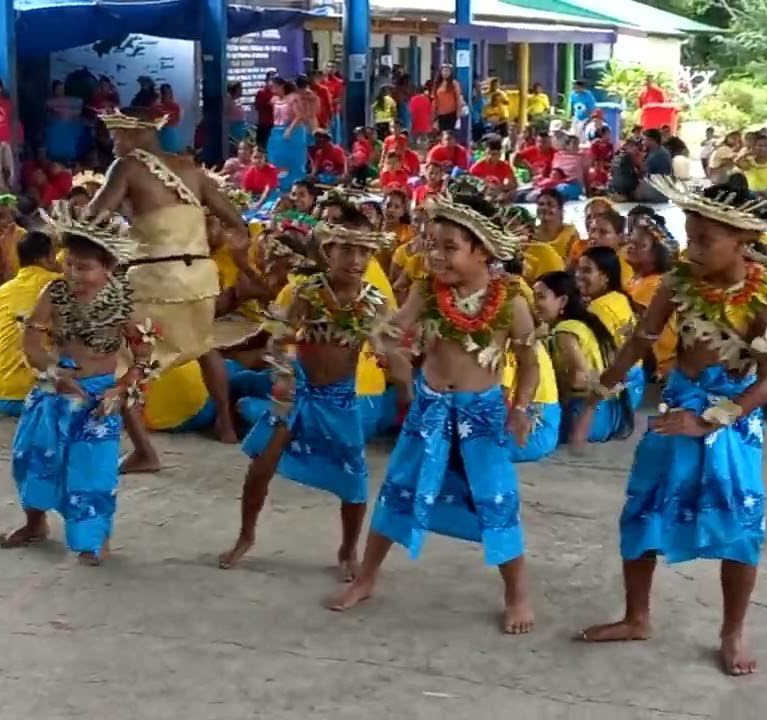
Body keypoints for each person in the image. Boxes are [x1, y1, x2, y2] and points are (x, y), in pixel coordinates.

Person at [578, 175, 767, 677]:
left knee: (740, 526)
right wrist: (597, 394)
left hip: (731, 420)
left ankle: (732, 632)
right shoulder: (677, 282)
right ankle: (636, 617)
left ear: (741, 242)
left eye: (704, 240)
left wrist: (709, 420)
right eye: (689, 235)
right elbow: (638, 344)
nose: (691, 248)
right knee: (641, 512)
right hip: (676, 410)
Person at [327, 194, 538, 636]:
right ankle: (366, 579)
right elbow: (397, 324)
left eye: (448, 247)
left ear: (481, 249)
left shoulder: (512, 303)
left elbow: (531, 366)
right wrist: (381, 335)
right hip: (428, 410)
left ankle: (516, 593)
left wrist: (521, 408)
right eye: (431, 244)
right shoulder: (428, 290)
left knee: (496, 502)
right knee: (395, 492)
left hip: (481, 418)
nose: (435, 255)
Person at [218, 219, 400, 579]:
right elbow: (280, 337)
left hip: (341, 397)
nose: (356, 260)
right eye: (347, 250)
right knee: (260, 466)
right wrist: (284, 377)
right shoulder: (307, 292)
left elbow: (389, 347)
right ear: (327, 251)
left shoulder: (374, 302)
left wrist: (392, 357)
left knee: (354, 481)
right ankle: (246, 535)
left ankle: (348, 549)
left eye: (365, 252)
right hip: (296, 391)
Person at [87, 108, 250, 470]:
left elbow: (94, 217)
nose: (113, 145)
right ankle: (225, 423)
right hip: (201, 278)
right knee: (205, 345)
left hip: (156, 278)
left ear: (133, 135)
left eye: (116, 136)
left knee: (121, 361)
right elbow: (235, 220)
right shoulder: (191, 168)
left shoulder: (126, 166)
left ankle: (144, 451)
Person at [0, 217, 156, 564]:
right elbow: (32, 341)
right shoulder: (53, 292)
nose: (73, 274)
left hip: (99, 398)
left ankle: (94, 539)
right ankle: (35, 524)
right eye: (68, 263)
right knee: (31, 458)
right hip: (53, 391)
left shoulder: (124, 302)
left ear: (109, 266)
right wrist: (52, 372)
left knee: (93, 471)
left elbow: (144, 353)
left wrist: (122, 386)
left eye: (84, 267)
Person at [534, 270, 629, 448]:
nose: (534, 304)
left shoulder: (565, 331)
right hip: (611, 414)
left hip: (585, 416)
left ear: (562, 300)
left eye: (540, 297)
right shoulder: (587, 322)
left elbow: (578, 378)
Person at [624, 213, 678, 379]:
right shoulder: (635, 280)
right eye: (631, 242)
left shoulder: (655, 284)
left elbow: (634, 325)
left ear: (657, 255)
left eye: (641, 245)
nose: (631, 247)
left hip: (660, 368)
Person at [266, 77, 317, 192]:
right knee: (277, 159)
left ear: (281, 86)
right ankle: (279, 184)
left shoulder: (293, 98)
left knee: (293, 161)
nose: (272, 89)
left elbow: (299, 115)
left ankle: (297, 185)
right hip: (277, 132)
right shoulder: (274, 99)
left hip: (293, 133)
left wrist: (290, 129)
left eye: (273, 86)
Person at [534, 188, 580, 262]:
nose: (544, 208)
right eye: (541, 204)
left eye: (550, 204)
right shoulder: (530, 233)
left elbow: (574, 263)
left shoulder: (570, 233)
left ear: (560, 210)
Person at [737, 134, 767, 200]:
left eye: (766, 145)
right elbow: (738, 163)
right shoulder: (748, 160)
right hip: (752, 194)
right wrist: (748, 154)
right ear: (754, 147)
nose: (763, 148)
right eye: (760, 146)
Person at [430, 65, 466, 133]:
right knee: (441, 133)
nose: (445, 73)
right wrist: (433, 112)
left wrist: (458, 112)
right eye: (444, 71)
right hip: (440, 114)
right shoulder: (437, 83)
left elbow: (458, 98)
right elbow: (434, 98)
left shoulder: (454, 83)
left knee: (449, 133)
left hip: (451, 113)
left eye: (448, 71)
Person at [154, 83, 183, 154]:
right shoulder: (158, 107)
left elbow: (177, 121)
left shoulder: (175, 107)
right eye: (164, 93)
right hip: (166, 135)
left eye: (167, 92)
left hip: (169, 134)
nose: (166, 95)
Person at [254, 71, 277, 151]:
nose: (273, 82)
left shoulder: (278, 93)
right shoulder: (261, 93)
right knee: (262, 148)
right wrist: (268, 104)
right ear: (267, 80)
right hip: (264, 125)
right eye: (272, 79)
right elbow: (257, 106)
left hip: (275, 125)